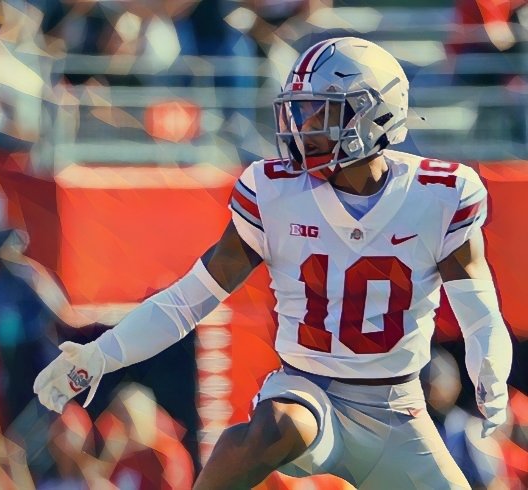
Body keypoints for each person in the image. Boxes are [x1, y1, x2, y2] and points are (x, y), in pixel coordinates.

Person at [32, 36, 513, 488]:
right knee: (282, 424)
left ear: (373, 116)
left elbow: (477, 304)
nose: (302, 129)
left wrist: (491, 372)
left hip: (397, 409)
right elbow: (189, 299)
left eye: (320, 113)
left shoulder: (441, 194)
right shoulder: (273, 190)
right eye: (299, 113)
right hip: (310, 392)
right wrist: (101, 354)